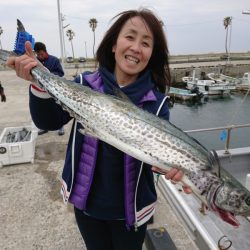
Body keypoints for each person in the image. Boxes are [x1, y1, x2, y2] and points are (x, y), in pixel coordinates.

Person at [7, 8, 192, 250]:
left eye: (146, 43)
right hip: (88, 207)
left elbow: (152, 159)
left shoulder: (156, 105)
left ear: (151, 54)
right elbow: (48, 122)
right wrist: (38, 82)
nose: (136, 47)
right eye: (130, 37)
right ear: (114, 45)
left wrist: (175, 169)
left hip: (133, 213)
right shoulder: (85, 84)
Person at [34, 42, 65, 136]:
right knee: (42, 109)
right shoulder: (36, 61)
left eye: (41, 54)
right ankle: (44, 127)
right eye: (38, 54)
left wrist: (49, 75)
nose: (40, 56)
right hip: (40, 89)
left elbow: (61, 73)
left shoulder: (54, 60)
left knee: (57, 108)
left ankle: (60, 127)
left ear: (45, 51)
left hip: (54, 89)